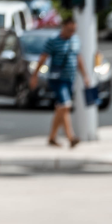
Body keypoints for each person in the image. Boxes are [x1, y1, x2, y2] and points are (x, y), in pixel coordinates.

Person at [31, 15, 90, 148]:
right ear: (63, 27)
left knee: (61, 108)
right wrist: (35, 75)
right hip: (57, 78)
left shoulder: (75, 40)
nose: (71, 33)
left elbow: (79, 58)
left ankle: (52, 137)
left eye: (74, 30)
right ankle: (71, 137)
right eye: (69, 30)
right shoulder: (53, 40)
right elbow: (43, 58)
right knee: (65, 105)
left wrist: (85, 76)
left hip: (70, 78)